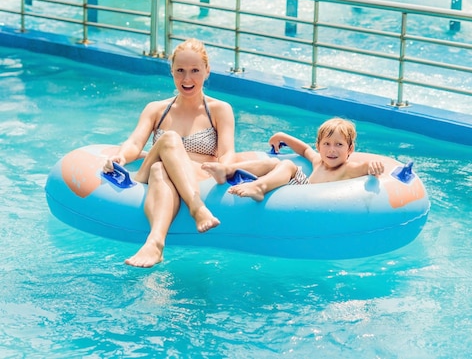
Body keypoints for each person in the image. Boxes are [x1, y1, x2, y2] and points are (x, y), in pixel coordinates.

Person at [103, 38, 240, 268]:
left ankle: (155, 243)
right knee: (169, 138)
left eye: (195, 70)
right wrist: (121, 158)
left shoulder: (220, 110)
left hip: (197, 175)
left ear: (207, 71)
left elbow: (227, 152)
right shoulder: (156, 109)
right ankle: (196, 208)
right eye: (180, 71)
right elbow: (135, 142)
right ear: (172, 72)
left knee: (160, 168)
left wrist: (224, 167)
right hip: (147, 177)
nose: (187, 79)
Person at [203, 117, 385, 201]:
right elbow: (304, 149)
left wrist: (373, 166)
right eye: (327, 144)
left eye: (339, 145)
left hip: (304, 198)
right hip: (294, 191)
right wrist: (283, 136)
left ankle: (259, 187)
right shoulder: (318, 162)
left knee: (288, 165)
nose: (332, 150)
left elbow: (364, 167)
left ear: (350, 149)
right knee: (273, 163)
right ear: (319, 146)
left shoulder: (346, 169)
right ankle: (227, 170)